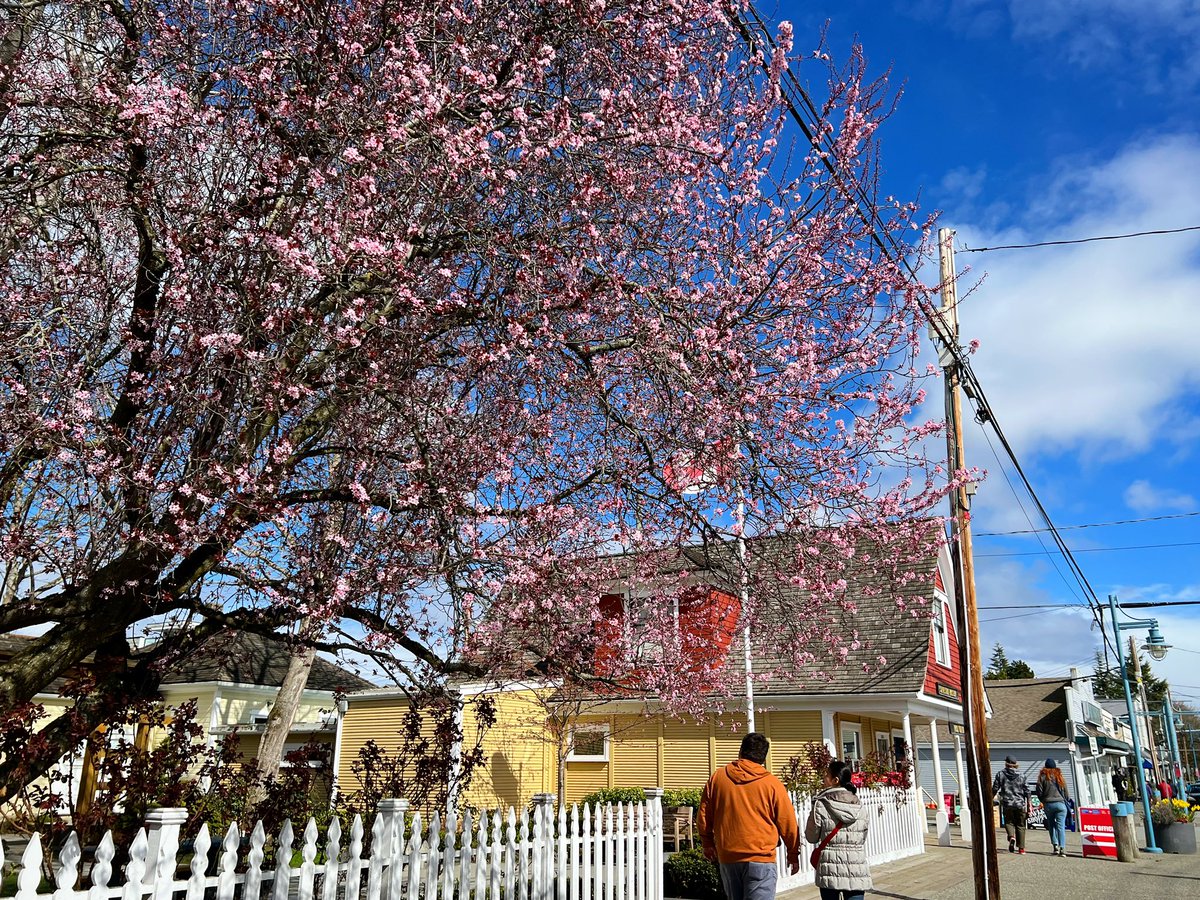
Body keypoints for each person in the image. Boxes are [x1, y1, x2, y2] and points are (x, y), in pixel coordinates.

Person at [698, 733, 799, 900]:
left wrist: (707, 843)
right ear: (763, 757)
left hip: (728, 856)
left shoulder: (718, 778)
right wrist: (793, 853)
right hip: (761, 857)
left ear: (741, 751)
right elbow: (787, 822)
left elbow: (704, 814)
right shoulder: (772, 784)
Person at [805, 760, 872, 900]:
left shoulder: (820, 804)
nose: (824, 778)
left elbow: (811, 837)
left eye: (827, 775)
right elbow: (862, 837)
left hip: (829, 866)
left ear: (835, 780)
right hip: (856, 866)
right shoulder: (860, 806)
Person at [992, 755, 1032, 854]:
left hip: (1007, 803)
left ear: (1006, 763)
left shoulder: (1000, 774)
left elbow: (995, 788)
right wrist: (1029, 803)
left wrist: (990, 798)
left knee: (1008, 822)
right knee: (1021, 825)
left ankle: (1011, 836)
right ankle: (1021, 848)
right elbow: (1027, 791)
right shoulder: (1022, 775)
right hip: (1020, 804)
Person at [1036, 758, 1071, 857]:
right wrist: (1066, 799)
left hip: (1048, 804)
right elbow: (1066, 792)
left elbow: (1039, 791)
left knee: (1051, 825)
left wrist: (1043, 800)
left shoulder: (1042, 777)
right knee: (1061, 827)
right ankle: (1062, 848)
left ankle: (1055, 846)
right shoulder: (1059, 776)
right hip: (1060, 804)